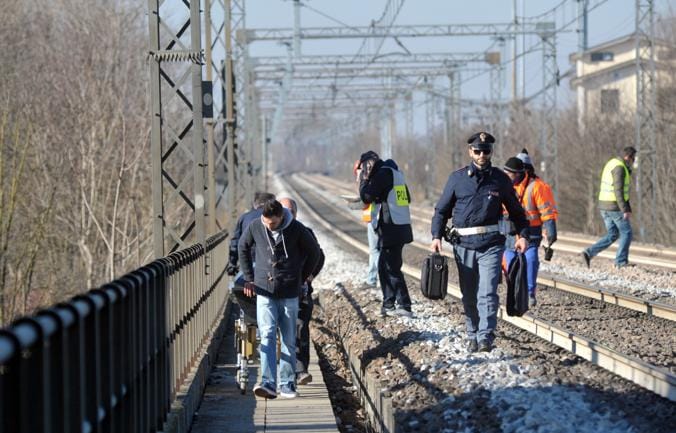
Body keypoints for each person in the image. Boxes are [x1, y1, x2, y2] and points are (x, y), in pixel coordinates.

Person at [430, 132, 529, 353]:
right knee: (470, 293)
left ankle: (486, 335)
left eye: (486, 151)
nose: (482, 154)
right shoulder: (457, 179)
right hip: (463, 245)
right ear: (470, 152)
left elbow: (517, 211)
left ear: (491, 152)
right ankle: (472, 332)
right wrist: (436, 236)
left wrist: (523, 235)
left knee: (488, 290)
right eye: (478, 151)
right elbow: (441, 211)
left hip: (491, 244)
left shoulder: (500, 179)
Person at [238, 199, 320, 399]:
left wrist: (303, 278)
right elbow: (242, 247)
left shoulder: (297, 229)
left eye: (272, 223)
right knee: (266, 335)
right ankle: (267, 383)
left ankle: (287, 383)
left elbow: (315, 252)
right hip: (264, 291)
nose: (269, 226)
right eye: (266, 222)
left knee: (288, 339)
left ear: (281, 217)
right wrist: (249, 278)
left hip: (289, 292)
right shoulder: (256, 226)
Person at [358, 150, 414, 318]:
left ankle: (404, 305)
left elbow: (366, 196)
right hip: (400, 226)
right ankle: (388, 303)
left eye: (364, 167)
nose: (364, 170)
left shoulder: (382, 174)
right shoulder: (396, 174)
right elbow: (406, 199)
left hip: (391, 228)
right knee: (385, 265)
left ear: (369, 163)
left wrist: (363, 181)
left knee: (391, 267)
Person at [278, 197, 325, 386]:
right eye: (284, 211)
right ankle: (283, 374)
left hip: (301, 291)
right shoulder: (271, 232)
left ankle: (300, 371)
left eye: (290, 211)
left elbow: (319, 256)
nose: (287, 215)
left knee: (299, 329)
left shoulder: (306, 233)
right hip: (276, 292)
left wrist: (308, 277)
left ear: (296, 214)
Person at [502, 151, 558, 307]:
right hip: (508, 233)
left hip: (531, 233)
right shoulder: (503, 186)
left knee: (531, 259)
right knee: (509, 261)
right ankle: (515, 290)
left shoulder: (537, 187)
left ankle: (529, 293)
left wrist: (550, 228)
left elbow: (547, 210)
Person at [581, 147, 637, 269]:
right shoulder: (619, 168)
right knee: (626, 232)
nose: (633, 162)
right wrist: (625, 209)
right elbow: (618, 191)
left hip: (604, 206)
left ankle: (588, 253)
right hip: (614, 206)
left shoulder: (612, 163)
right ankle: (621, 262)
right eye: (633, 159)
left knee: (613, 234)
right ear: (629, 157)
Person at [226, 191, 276, 276]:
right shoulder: (277, 218)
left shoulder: (244, 217)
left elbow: (236, 243)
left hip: (248, 264)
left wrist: (232, 264)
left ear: (256, 203)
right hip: (272, 266)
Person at [349, 159, 380, 287]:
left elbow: (367, 199)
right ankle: (373, 278)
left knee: (375, 250)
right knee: (376, 250)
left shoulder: (370, 181)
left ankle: (377, 278)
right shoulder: (378, 179)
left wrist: (353, 204)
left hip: (375, 219)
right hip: (374, 217)